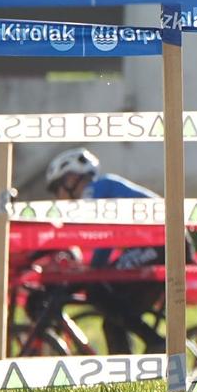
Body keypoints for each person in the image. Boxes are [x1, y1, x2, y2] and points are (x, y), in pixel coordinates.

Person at [44, 147, 167, 354]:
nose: (59, 196)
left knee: (98, 287)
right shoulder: (98, 190)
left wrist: (94, 270)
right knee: (112, 320)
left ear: (71, 178)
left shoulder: (94, 190)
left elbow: (106, 236)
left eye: (58, 188)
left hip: (162, 244)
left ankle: (156, 342)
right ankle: (127, 378)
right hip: (158, 244)